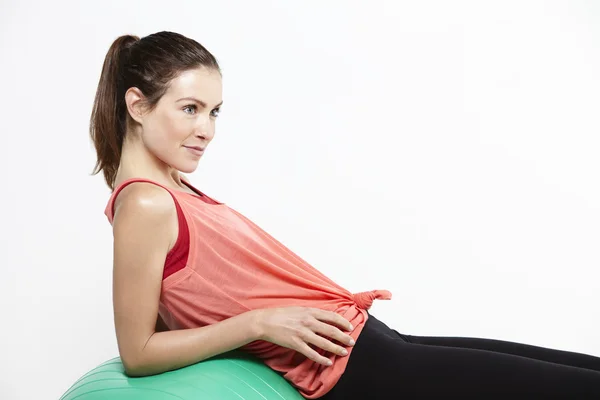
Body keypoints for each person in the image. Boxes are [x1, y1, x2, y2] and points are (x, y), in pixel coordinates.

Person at [91, 31, 600, 399]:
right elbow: (138, 351)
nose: (207, 129)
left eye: (214, 111)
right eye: (190, 108)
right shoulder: (145, 202)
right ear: (137, 105)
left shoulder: (172, 189)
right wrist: (260, 322)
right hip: (354, 370)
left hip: (369, 344)